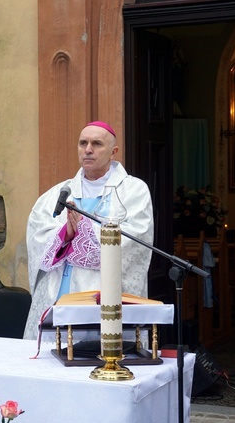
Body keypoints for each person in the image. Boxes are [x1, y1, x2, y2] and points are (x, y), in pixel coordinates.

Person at [23, 121, 154, 340]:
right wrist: (65, 234)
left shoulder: (133, 190)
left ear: (113, 152)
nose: (88, 149)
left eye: (96, 144)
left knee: (95, 355)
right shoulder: (58, 193)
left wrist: (85, 230)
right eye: (83, 143)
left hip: (103, 294)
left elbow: (136, 238)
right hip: (59, 292)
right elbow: (37, 234)